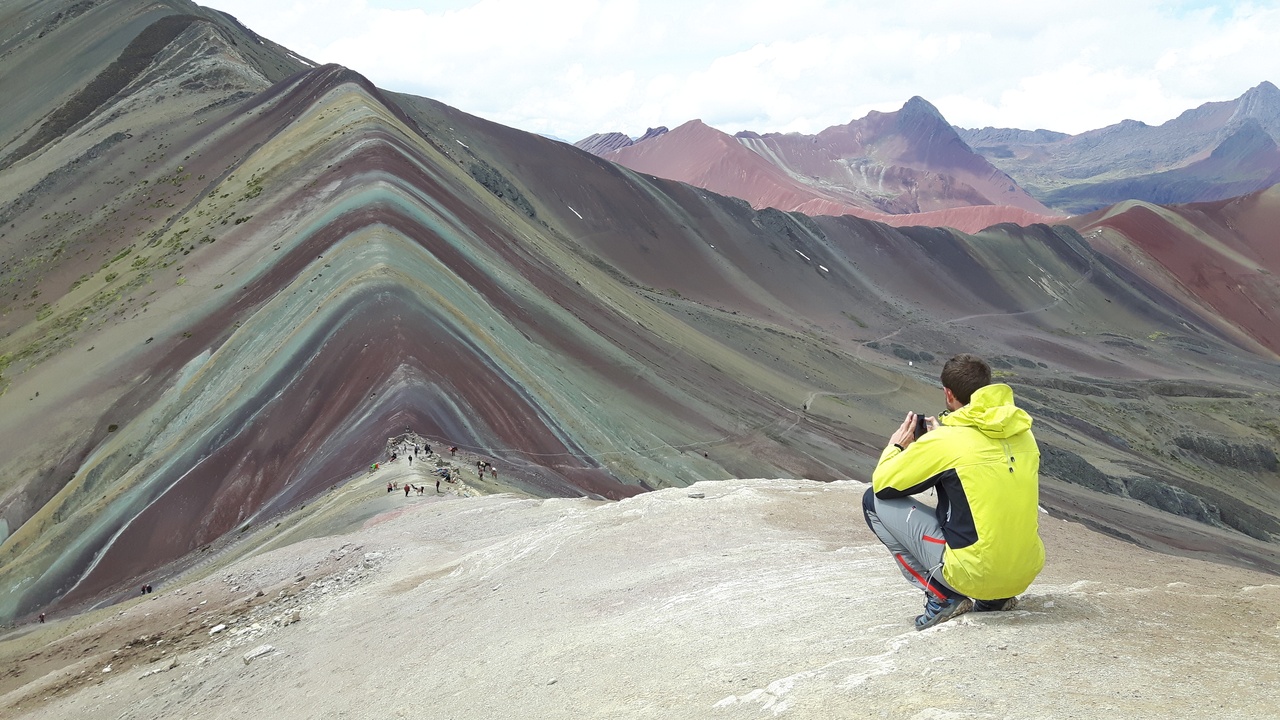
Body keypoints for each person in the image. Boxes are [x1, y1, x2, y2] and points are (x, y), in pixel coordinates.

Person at [863, 354, 1044, 630]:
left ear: (949, 394)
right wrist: (944, 437)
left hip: (975, 573)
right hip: (1023, 572)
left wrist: (896, 447)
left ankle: (942, 594)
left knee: (872, 502)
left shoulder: (946, 442)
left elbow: (884, 484)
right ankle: (996, 598)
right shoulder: (1023, 433)